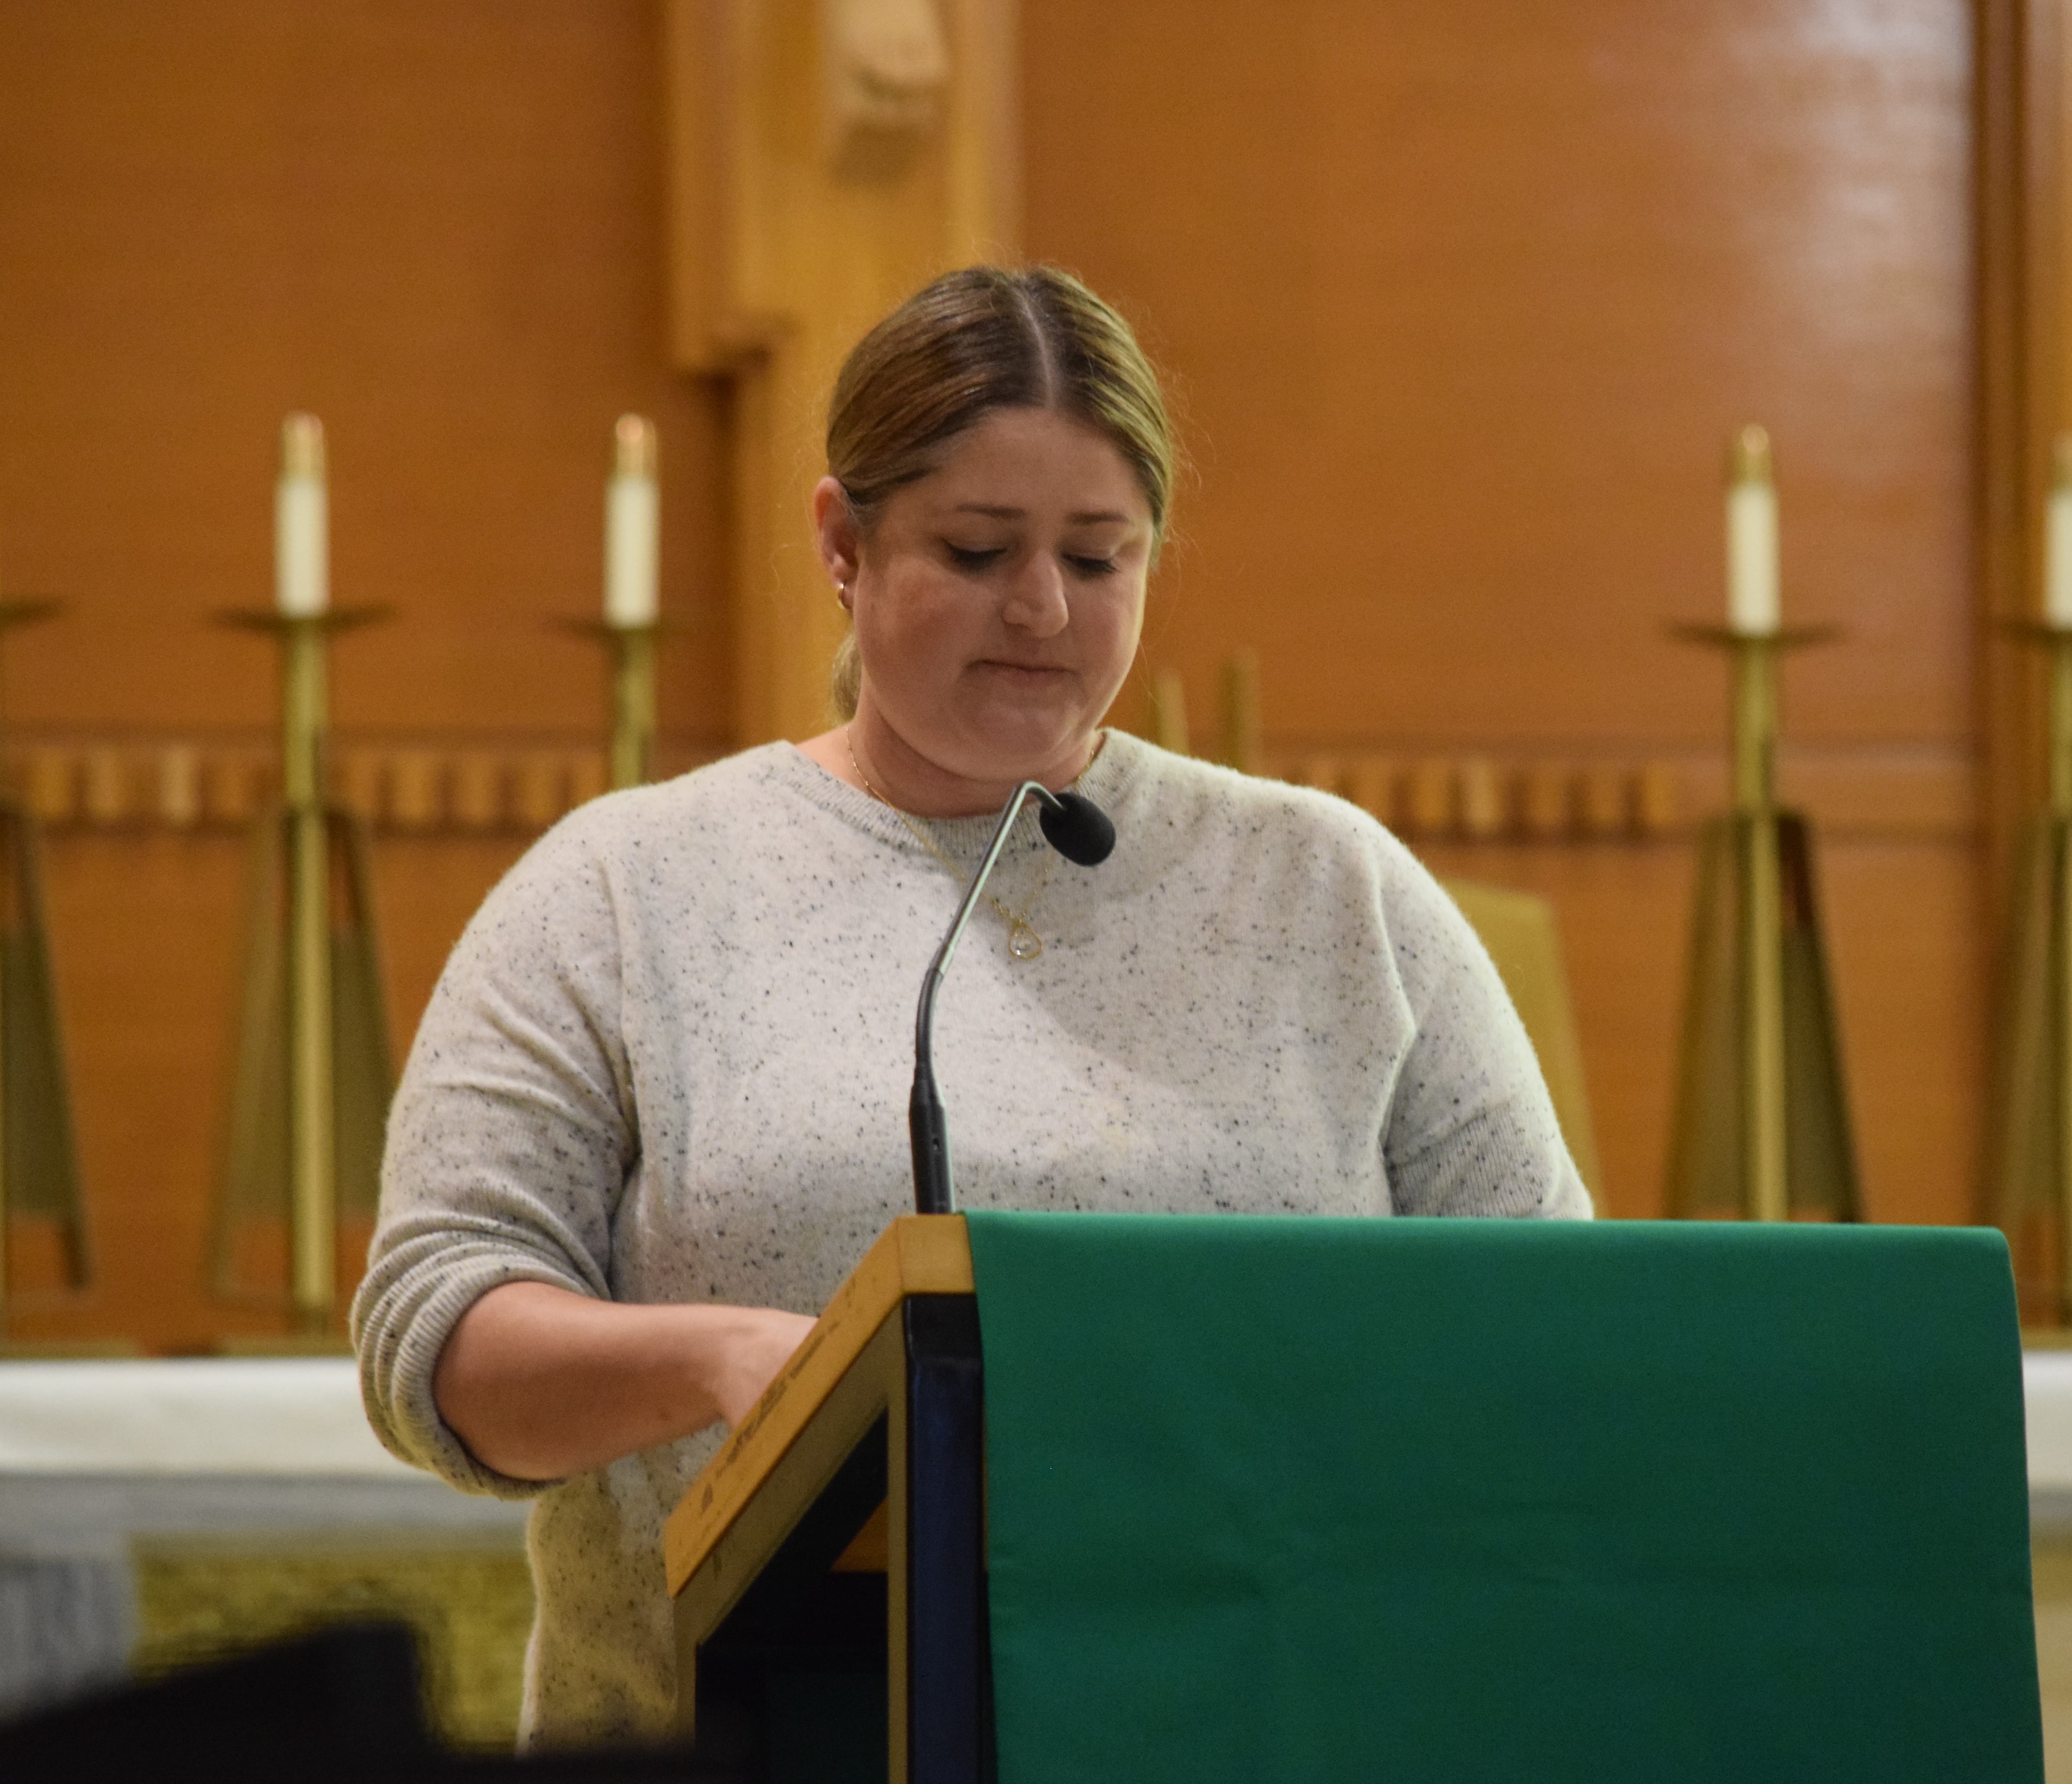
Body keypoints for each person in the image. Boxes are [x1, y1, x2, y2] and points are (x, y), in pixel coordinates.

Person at [353, 264, 1593, 1749]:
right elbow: (437, 1346)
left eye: (1099, 556)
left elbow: (1552, 1336)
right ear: (842, 542)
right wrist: (725, 1364)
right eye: (979, 546)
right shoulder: (630, 889)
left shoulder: (1328, 891)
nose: (1041, 608)